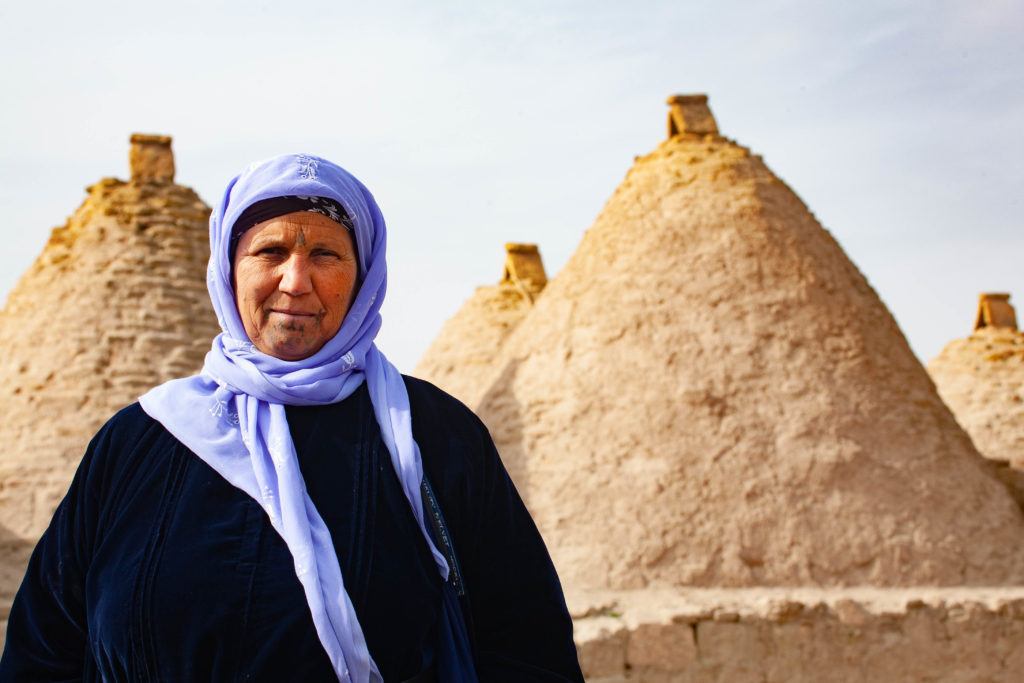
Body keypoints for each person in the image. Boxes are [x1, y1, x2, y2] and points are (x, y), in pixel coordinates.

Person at [0, 154, 584, 682]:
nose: (295, 281)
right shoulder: (140, 439)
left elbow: (526, 646)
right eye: (270, 252)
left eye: (325, 254)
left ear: (364, 276)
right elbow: (45, 646)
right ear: (230, 270)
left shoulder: (435, 435)